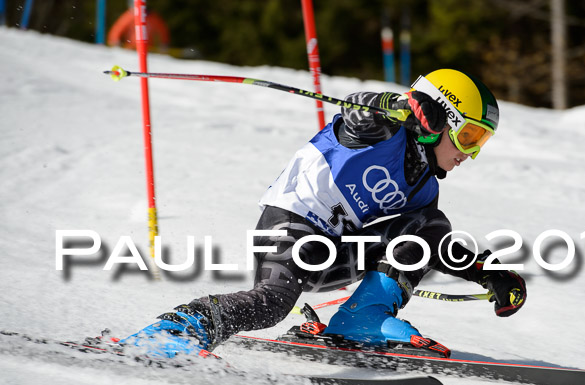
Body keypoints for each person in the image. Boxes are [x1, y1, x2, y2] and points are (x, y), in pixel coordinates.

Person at [122, 69, 527, 358]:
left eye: (481, 142)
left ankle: (360, 319)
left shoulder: (425, 185)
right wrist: (400, 105)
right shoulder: (383, 128)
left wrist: (487, 272)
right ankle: (177, 330)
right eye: (468, 135)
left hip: (335, 253)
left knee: (429, 225)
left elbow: (432, 245)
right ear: (439, 118)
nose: (469, 153)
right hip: (290, 228)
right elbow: (356, 112)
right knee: (272, 303)